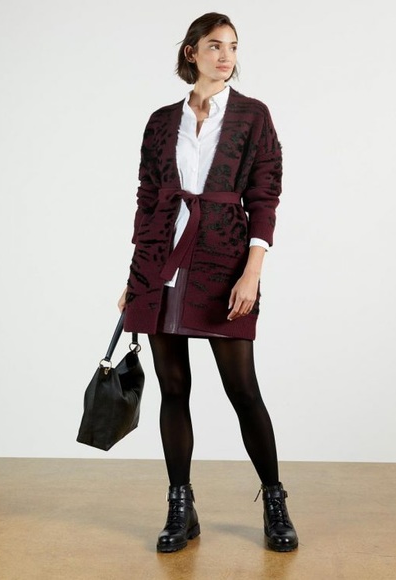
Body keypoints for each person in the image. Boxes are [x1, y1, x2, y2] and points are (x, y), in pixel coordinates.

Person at [118, 12, 298, 553]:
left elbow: (265, 194)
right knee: (173, 387)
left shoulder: (252, 116)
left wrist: (252, 271)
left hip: (224, 259)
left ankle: (274, 499)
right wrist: (135, 276)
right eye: (215, 45)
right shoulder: (160, 121)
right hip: (160, 264)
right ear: (191, 52)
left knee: (242, 388)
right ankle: (181, 506)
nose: (226, 56)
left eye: (233, 47)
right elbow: (148, 199)